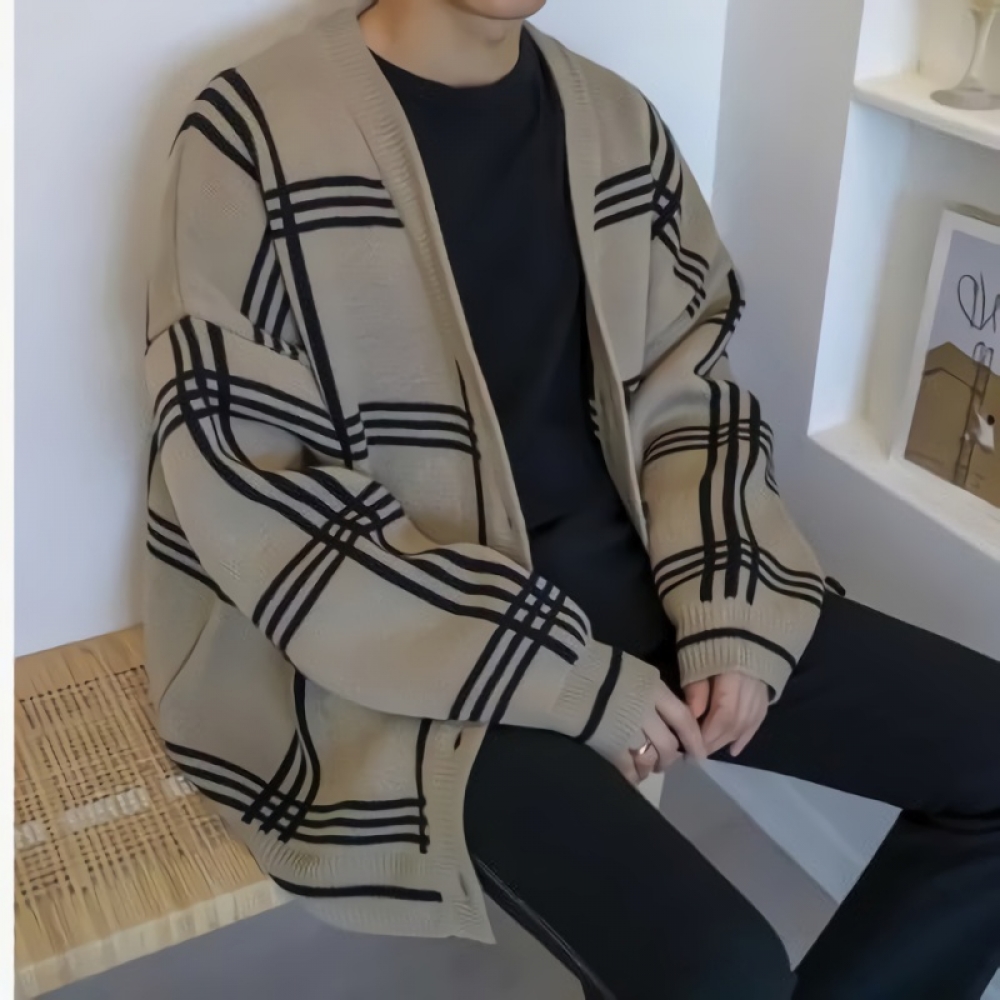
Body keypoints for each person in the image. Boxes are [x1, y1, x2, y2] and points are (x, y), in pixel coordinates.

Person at [142, 0, 1000, 997]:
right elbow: (251, 485)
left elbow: (692, 390)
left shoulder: (617, 123)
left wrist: (730, 609)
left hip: (638, 574)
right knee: (720, 969)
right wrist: (567, 679)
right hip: (398, 642)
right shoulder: (253, 132)